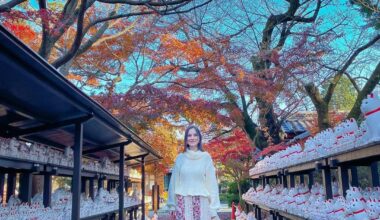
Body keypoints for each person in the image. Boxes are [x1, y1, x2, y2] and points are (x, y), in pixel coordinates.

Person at [167, 125, 220, 220]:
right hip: (182, 203)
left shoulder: (206, 157)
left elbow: (212, 184)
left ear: (199, 138)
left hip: (202, 202)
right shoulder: (180, 158)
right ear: (186, 139)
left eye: (195, 135)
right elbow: (173, 182)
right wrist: (172, 204)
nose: (192, 138)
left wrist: (213, 208)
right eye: (189, 135)